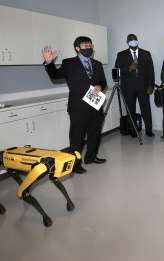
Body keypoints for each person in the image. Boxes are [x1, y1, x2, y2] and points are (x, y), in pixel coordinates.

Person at [42, 36, 107, 174]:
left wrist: (99, 85)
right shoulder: (69, 63)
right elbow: (56, 75)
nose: (89, 48)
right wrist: (49, 63)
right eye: (85, 46)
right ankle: (75, 164)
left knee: (95, 133)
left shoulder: (97, 64)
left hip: (95, 104)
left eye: (90, 45)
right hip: (79, 106)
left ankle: (91, 157)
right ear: (77, 48)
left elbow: (103, 81)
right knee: (77, 135)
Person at [115, 34, 155, 138]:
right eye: (131, 40)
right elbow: (117, 70)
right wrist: (129, 68)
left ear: (137, 40)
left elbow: (151, 71)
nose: (133, 41)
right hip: (128, 87)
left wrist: (150, 85)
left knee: (146, 108)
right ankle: (133, 130)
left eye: (135, 39)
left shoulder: (146, 54)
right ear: (127, 42)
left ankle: (149, 130)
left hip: (143, 86)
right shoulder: (121, 54)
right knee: (130, 110)